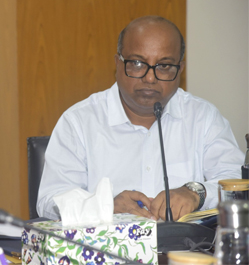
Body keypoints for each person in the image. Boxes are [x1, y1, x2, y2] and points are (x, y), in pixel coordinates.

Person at [37, 15, 244, 222]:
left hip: (184, 250)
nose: (150, 78)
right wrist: (105, 206)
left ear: (180, 69)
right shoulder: (79, 122)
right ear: (118, 63)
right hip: (106, 252)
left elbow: (239, 184)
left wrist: (196, 193)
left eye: (164, 66)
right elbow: (49, 202)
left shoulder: (203, 117)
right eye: (137, 63)